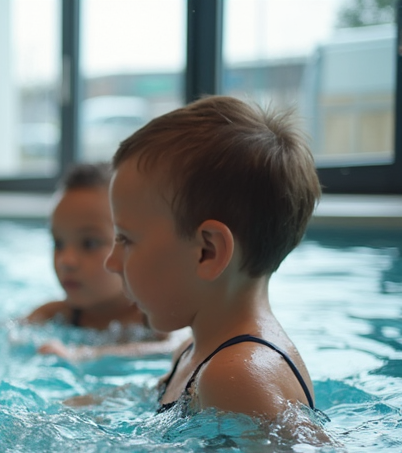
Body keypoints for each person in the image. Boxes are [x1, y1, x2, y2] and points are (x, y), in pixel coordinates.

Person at [107, 96, 324, 434]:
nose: (111, 262)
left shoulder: (238, 375)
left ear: (207, 251)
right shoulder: (195, 352)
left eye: (126, 239)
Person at [0, 163, 179, 361]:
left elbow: (173, 347)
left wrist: (86, 354)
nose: (66, 260)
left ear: (129, 244)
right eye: (58, 243)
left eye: (89, 243)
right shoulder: (58, 313)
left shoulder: (152, 317)